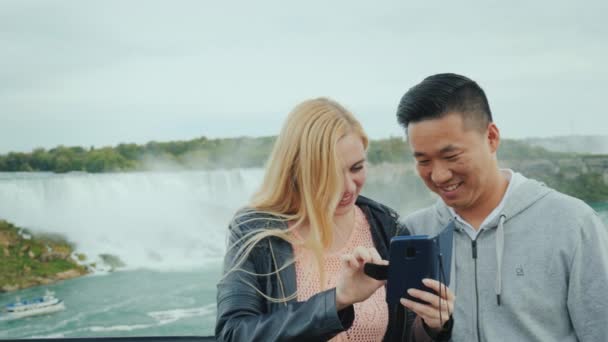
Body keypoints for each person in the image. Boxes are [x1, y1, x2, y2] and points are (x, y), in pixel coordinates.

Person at [216, 98, 454, 341]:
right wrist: (338, 300)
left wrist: (432, 326)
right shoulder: (253, 231)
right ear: (297, 169)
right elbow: (233, 334)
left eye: (356, 168)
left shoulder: (387, 226)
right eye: (330, 174)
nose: (349, 187)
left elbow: (406, 335)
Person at [395, 73, 608, 341]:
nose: (438, 175)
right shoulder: (415, 232)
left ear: (492, 137)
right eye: (423, 161)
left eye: (451, 156)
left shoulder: (572, 223)